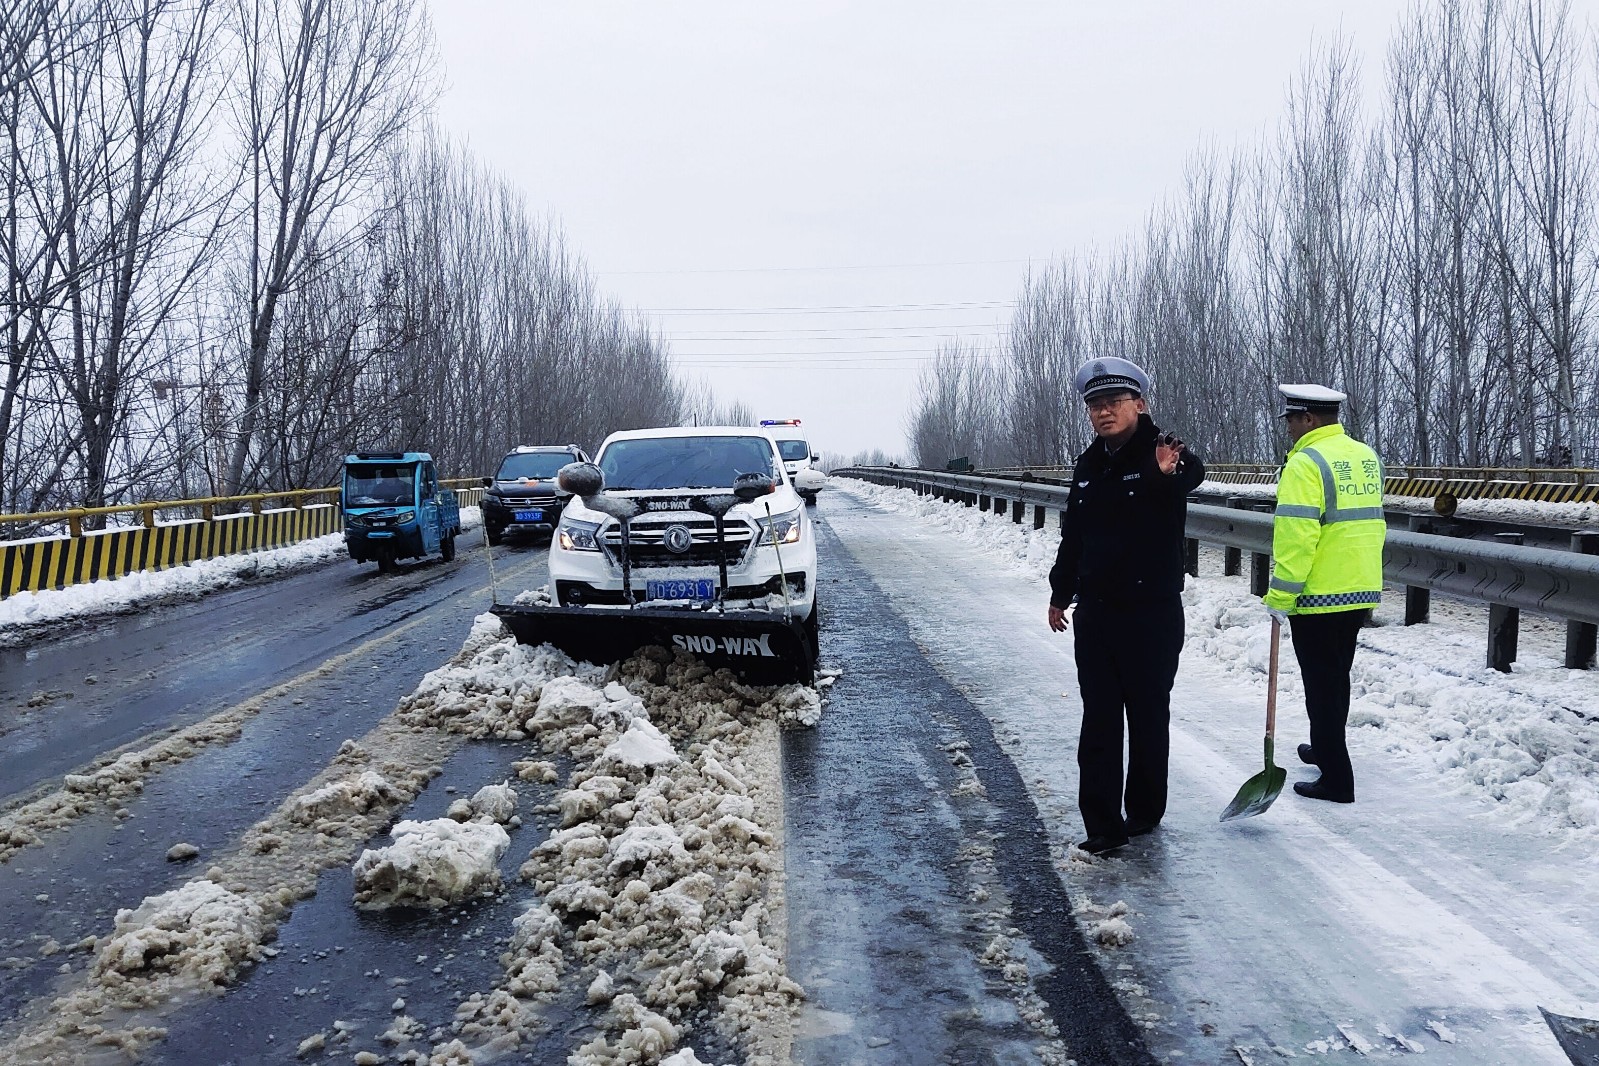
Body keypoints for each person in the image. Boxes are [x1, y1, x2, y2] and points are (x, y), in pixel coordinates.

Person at [1047, 357, 1205, 855]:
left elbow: (1189, 478)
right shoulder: (1090, 463)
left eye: (1114, 403)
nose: (1103, 413)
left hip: (1151, 613)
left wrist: (1162, 473)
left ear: (1139, 403)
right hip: (1096, 613)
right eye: (1095, 405)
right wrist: (1060, 590)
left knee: (1148, 715)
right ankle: (1102, 827)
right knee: (1099, 718)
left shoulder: (1164, 451)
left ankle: (1143, 810)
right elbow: (1075, 532)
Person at [1262, 384, 1386, 804]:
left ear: (1309, 419)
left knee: (1321, 684)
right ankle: (1325, 747)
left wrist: (1281, 595)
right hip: (1358, 586)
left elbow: (1298, 536)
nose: (1289, 429)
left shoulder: (1305, 463)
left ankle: (1337, 778)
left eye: (1292, 420)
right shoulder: (1364, 456)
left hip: (1318, 593)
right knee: (1336, 678)